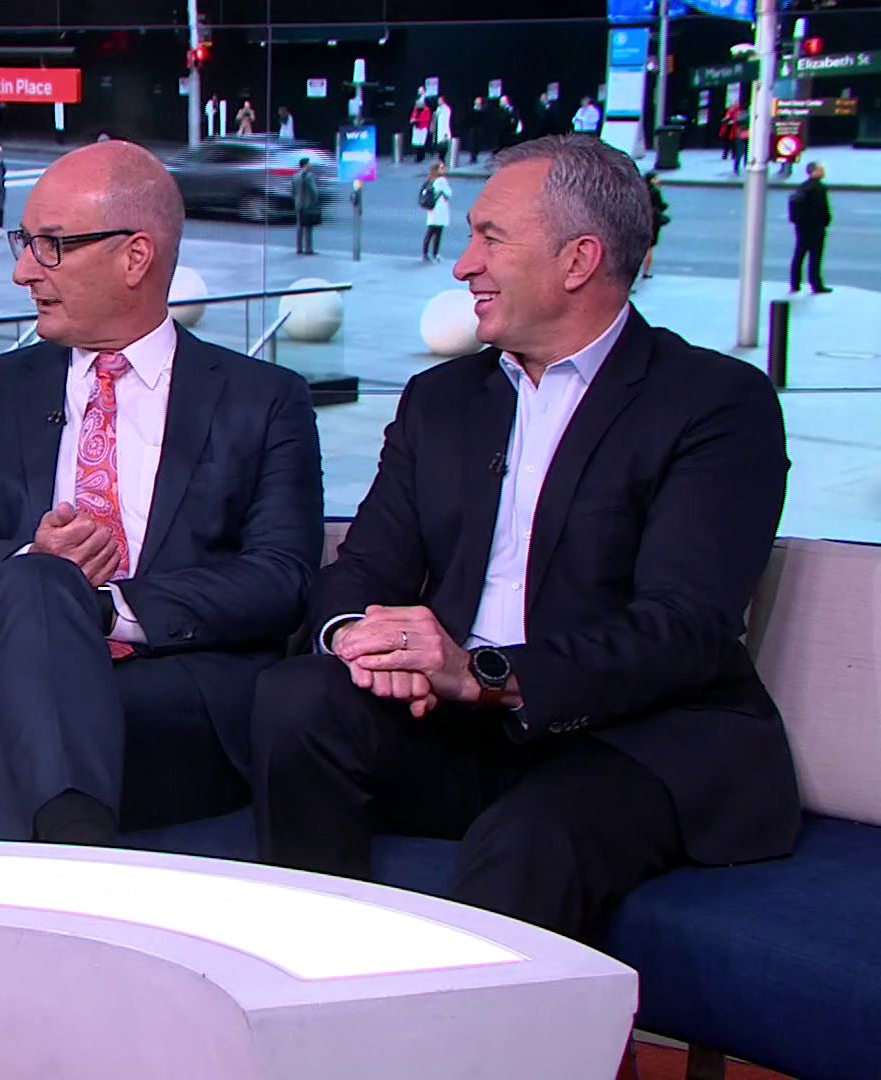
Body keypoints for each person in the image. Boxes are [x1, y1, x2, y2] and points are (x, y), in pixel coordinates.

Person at [250, 134, 798, 944]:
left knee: (528, 840)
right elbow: (363, 566)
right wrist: (365, 640)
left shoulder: (714, 404)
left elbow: (681, 628)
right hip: (457, 725)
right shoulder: (442, 401)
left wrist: (486, 676)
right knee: (295, 700)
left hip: (634, 738)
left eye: (490, 239)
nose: (463, 265)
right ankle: (320, 973)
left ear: (578, 260)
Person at [0, 140, 323, 843]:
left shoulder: (265, 400)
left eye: (51, 246)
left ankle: (59, 853)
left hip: (173, 696)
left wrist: (97, 608)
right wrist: (31, 570)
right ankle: (79, 843)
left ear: (135, 257)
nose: (22, 271)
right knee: (35, 586)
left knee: (5, 719)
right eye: (24, 243)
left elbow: (281, 580)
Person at [788, 161, 832, 296]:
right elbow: (822, 208)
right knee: (815, 256)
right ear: (814, 172)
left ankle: (795, 283)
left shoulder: (803, 186)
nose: (824, 172)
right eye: (821, 170)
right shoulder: (819, 188)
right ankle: (816, 284)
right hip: (815, 226)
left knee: (799, 254)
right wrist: (826, 220)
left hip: (801, 226)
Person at [421, 160, 453, 263]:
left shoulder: (430, 180)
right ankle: (435, 254)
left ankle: (425, 254)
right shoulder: (442, 180)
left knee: (430, 231)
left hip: (432, 208)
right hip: (440, 208)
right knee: (438, 233)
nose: (444, 169)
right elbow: (449, 194)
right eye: (442, 168)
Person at [642, 170, 667, 279]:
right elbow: (661, 205)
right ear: (652, 180)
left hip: (640, 220)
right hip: (653, 220)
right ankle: (646, 272)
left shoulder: (640, 190)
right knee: (650, 248)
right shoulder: (655, 191)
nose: (658, 180)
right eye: (656, 178)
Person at [292, 157, 319, 255]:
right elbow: (314, 191)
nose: (310, 165)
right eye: (309, 163)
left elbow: (293, 191)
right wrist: (316, 201)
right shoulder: (309, 176)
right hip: (308, 204)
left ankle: (299, 248)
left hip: (299, 204)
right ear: (305, 164)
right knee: (308, 227)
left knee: (299, 226)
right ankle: (308, 249)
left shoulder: (295, 176)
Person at [411, 99, 433, 163]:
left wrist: (418, 120)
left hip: (422, 128)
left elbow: (427, 119)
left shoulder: (427, 110)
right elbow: (413, 116)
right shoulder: (415, 109)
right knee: (416, 143)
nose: (416, 105)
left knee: (421, 143)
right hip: (416, 128)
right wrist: (412, 120)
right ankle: (417, 155)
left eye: (418, 104)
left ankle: (421, 157)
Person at [433, 96, 455, 161]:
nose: (438, 102)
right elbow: (436, 115)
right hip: (439, 129)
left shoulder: (446, 109)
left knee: (444, 144)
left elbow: (446, 119)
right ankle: (441, 158)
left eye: (440, 100)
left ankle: (443, 158)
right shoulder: (439, 108)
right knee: (440, 144)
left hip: (445, 129)